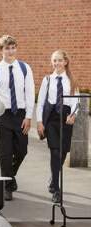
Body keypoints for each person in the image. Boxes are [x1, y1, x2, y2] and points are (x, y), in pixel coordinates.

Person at [0, 35, 35, 201]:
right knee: (5, 153)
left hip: (20, 114)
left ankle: (9, 176)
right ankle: (7, 187)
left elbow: (29, 94)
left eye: (13, 47)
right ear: (1, 50)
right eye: (7, 48)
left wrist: (28, 117)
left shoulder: (25, 68)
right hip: (3, 115)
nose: (11, 51)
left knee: (22, 150)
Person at [36, 50, 79, 203]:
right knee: (55, 152)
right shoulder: (47, 80)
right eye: (54, 60)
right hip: (52, 119)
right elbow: (41, 102)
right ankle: (56, 189)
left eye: (60, 60)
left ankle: (53, 178)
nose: (57, 63)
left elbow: (76, 101)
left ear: (65, 62)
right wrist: (39, 121)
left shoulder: (71, 80)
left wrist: (73, 114)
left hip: (66, 119)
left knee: (62, 153)